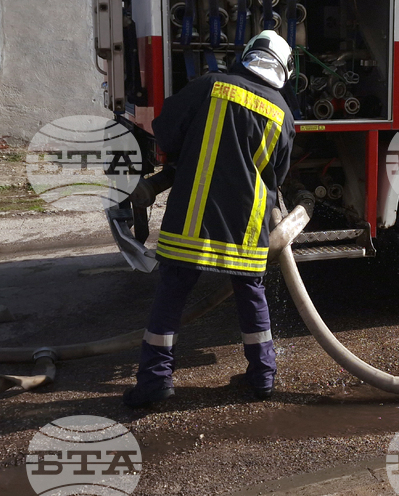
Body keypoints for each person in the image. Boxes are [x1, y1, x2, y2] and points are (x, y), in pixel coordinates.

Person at [123, 31, 295, 408]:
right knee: (251, 294)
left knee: (172, 294)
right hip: (246, 227)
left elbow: (165, 133)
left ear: (247, 56)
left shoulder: (211, 85)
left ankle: (155, 381)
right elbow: (277, 175)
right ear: (284, 71)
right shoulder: (283, 113)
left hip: (193, 219)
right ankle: (263, 377)